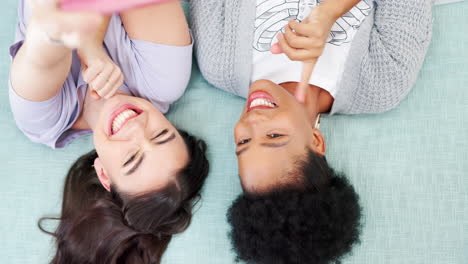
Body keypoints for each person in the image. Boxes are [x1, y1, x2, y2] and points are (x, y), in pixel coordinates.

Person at [190, 0, 433, 263]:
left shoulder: (218, 63)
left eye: (244, 140)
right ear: (316, 141)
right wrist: (330, 12)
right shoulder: (383, 80)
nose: (254, 121)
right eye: (274, 136)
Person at [9, 0, 209, 263]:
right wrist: (90, 49)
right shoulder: (163, 80)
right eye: (161, 135)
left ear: (103, 172)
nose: (136, 129)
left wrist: (68, 37)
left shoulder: (45, 121)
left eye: (131, 159)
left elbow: (43, 45)